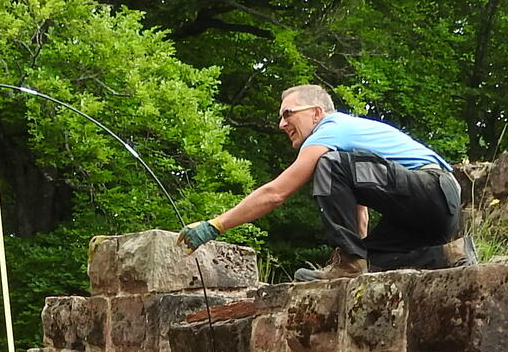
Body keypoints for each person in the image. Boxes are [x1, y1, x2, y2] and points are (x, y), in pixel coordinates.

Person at [176, 84, 464, 279]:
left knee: (328, 164)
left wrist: (215, 225)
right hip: (438, 211)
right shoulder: (349, 145)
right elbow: (360, 214)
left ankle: (349, 263)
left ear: (316, 112)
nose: (281, 124)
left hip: (432, 188)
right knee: (372, 264)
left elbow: (276, 193)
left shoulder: (330, 128)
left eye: (288, 113)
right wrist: (358, 255)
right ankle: (450, 255)